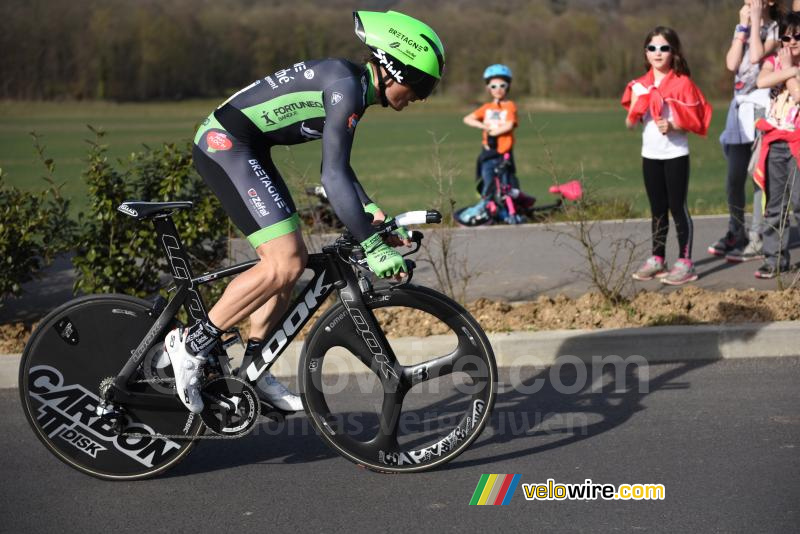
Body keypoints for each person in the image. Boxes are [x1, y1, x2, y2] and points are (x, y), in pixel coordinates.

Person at [165, 10, 445, 413]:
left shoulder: (352, 87)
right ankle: (191, 344)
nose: (421, 96)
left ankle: (252, 373)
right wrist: (372, 245)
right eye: (420, 85)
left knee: (287, 265)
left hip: (250, 148)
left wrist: (372, 216)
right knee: (285, 262)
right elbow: (331, 177)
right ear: (393, 68)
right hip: (225, 145)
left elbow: (341, 169)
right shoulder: (345, 88)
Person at [622, 26, 712, 286]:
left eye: (664, 48)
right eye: (652, 48)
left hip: (675, 154)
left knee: (677, 207)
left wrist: (673, 126)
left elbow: (696, 122)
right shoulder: (640, 86)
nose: (658, 53)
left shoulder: (683, 84)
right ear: (646, 52)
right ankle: (657, 258)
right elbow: (634, 115)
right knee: (657, 209)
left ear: (674, 52)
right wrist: (632, 117)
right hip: (649, 154)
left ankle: (685, 261)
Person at [712, 0, 783, 262]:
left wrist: (756, 21)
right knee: (733, 177)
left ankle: (757, 236)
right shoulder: (741, 26)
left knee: (757, 175)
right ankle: (735, 231)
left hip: (761, 108)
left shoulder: (777, 30)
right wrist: (743, 25)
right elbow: (732, 63)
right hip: (738, 110)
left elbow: (755, 56)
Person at [752, 11, 800, 278]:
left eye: (797, 37)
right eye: (785, 37)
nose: (791, 42)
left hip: (798, 145)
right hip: (775, 144)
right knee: (775, 206)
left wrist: (790, 70)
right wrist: (788, 68)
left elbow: (797, 94)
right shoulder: (774, 61)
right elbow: (761, 80)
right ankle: (774, 260)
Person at [459, 64, 521, 223]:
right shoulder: (487, 108)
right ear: (488, 88)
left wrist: (495, 131)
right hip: (487, 153)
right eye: (494, 86)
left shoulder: (510, 106)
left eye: (502, 85)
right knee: (487, 184)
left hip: (503, 153)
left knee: (505, 186)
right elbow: (467, 119)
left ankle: (509, 213)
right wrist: (483, 126)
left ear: (508, 87)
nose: (498, 89)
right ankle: (488, 212)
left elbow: (509, 124)